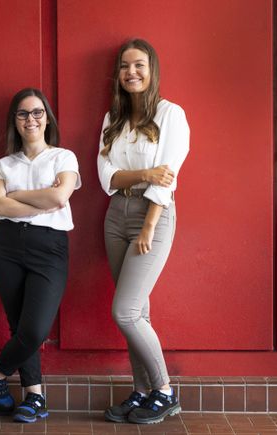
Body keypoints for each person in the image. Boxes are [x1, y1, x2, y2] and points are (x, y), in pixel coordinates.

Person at [97, 39, 190, 424]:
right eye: (124, 66)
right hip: (115, 215)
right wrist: (146, 173)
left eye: (138, 65)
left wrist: (149, 225)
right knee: (139, 313)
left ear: (152, 70)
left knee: (126, 311)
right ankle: (141, 392)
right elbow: (106, 177)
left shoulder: (171, 114)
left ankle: (164, 391)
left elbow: (166, 178)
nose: (130, 72)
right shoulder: (113, 119)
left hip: (152, 215)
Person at [0, 88, 81, 424]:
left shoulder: (64, 158)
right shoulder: (3, 165)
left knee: (34, 330)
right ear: (15, 121)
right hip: (7, 247)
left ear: (47, 118)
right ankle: (34, 396)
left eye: (37, 112)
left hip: (50, 247)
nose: (30, 119)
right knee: (19, 326)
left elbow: (60, 198)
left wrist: (18, 195)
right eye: (23, 113)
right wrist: (40, 198)